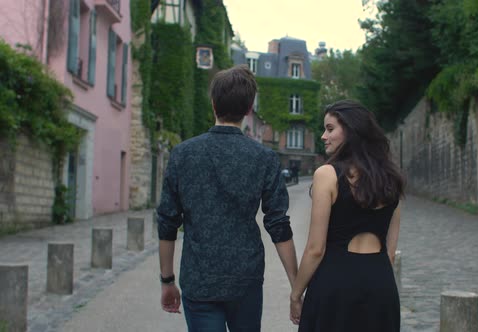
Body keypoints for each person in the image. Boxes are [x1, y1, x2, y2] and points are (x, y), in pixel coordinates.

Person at [157, 65, 298, 332]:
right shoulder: (264, 158)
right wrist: (296, 286)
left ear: (213, 104)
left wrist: (167, 280)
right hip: (246, 278)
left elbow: (167, 222)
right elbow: (278, 224)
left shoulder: (183, 154)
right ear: (248, 109)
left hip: (199, 278)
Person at [289, 100, 405, 331]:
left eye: (330, 128)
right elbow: (390, 253)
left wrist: (296, 294)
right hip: (380, 285)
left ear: (351, 131)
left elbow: (315, 249)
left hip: (335, 286)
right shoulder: (392, 178)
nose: (323, 136)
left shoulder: (327, 175)